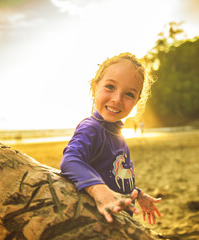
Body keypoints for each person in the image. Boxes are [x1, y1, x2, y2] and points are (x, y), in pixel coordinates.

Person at [60, 52, 161, 224]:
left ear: (137, 101)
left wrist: (137, 193)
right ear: (94, 87)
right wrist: (99, 191)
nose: (117, 99)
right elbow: (70, 161)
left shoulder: (118, 136)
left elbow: (113, 177)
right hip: (96, 223)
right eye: (110, 87)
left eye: (129, 94)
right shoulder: (91, 128)